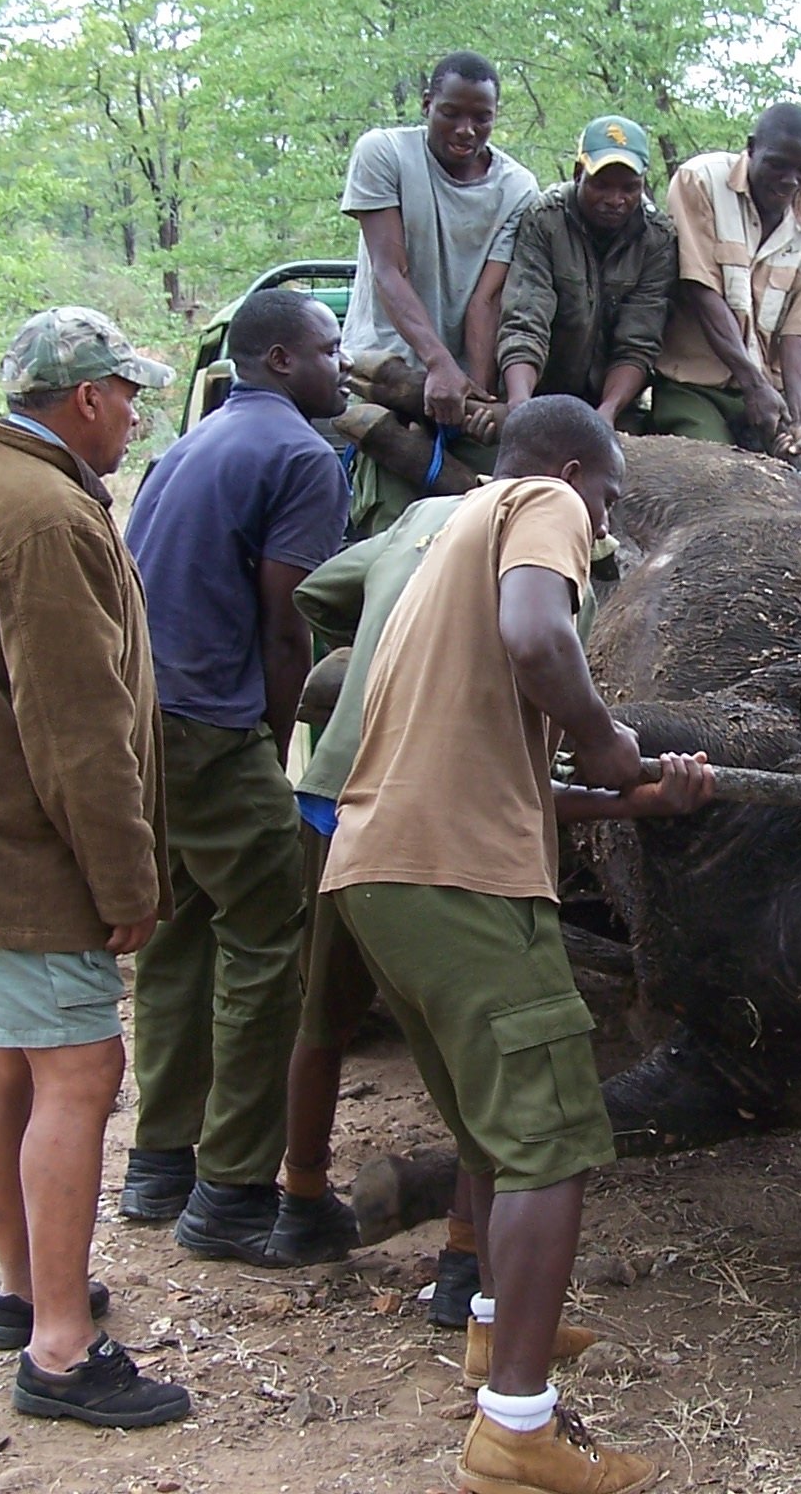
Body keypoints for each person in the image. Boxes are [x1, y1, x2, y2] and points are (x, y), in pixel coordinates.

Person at [322, 395, 713, 1494]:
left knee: (498, 1138)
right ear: (575, 473)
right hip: (460, 880)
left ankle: (497, 1328)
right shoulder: (540, 500)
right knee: (552, 1142)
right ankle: (517, 1431)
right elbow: (540, 639)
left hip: (382, 870)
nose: (605, 525)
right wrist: (609, 740)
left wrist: (636, 797)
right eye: (609, 501)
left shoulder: (442, 538)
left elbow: (511, 778)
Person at [0, 307, 188, 1428]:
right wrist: (127, 882)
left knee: (7, 1060)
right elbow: (76, 728)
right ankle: (60, 1349)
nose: (137, 416)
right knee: (81, 1071)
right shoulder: (46, 514)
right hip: (10, 849)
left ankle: (23, 1289)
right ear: (87, 398)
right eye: (129, 396)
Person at [117, 288, 351, 1266]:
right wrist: (274, 738)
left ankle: (158, 1162)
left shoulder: (193, 443)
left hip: (143, 720)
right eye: (330, 347)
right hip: (214, 726)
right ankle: (233, 1191)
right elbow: (289, 622)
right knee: (269, 939)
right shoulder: (301, 456)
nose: (345, 364)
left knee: (178, 934)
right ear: (283, 360)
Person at [274, 490, 482, 1298]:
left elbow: (318, 591)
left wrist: (371, 651)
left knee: (323, 1014)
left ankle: (300, 1201)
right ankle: (466, 1260)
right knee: (471, 1037)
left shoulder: (423, 516)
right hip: (427, 810)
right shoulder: (556, 540)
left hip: (334, 794)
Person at [339, 50, 539, 534]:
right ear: (428, 104)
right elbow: (390, 270)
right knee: (395, 527)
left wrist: (479, 395)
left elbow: (486, 301)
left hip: (462, 388)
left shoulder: (517, 187)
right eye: (451, 113)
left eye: (481, 118)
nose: (466, 130)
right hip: (385, 374)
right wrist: (437, 364)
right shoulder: (384, 153)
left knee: (493, 514)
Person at [650, 102, 801, 490]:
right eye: (777, 165)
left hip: (773, 396)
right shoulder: (700, 182)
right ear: (751, 148)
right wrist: (753, 384)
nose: (790, 181)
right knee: (720, 489)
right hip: (694, 388)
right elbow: (701, 292)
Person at [495, 115, 675, 427]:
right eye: (601, 185)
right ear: (579, 173)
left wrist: (606, 414)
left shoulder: (657, 238)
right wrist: (520, 404)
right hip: (541, 392)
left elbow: (638, 343)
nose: (615, 200)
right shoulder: (545, 219)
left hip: (613, 404)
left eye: (629, 188)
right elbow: (525, 320)